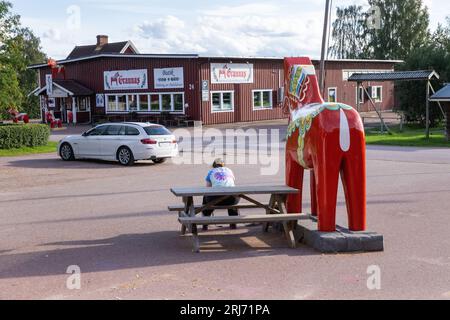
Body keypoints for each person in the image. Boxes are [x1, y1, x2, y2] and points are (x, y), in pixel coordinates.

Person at [202, 158, 239, 230]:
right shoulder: (229, 170)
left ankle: (205, 222)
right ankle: (233, 223)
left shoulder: (211, 172)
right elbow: (232, 183)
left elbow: (208, 188)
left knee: (206, 198)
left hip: (215, 200)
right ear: (223, 165)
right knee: (232, 194)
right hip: (232, 200)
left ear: (214, 165)